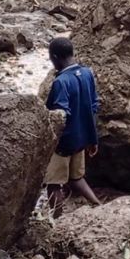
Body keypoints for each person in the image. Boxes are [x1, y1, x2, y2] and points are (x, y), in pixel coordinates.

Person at [44, 37, 102, 216]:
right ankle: (98, 205)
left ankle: (57, 220)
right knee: (76, 177)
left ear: (55, 57)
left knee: (53, 183)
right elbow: (93, 106)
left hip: (63, 143)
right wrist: (93, 139)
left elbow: (60, 115)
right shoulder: (87, 74)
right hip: (82, 137)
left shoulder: (61, 82)